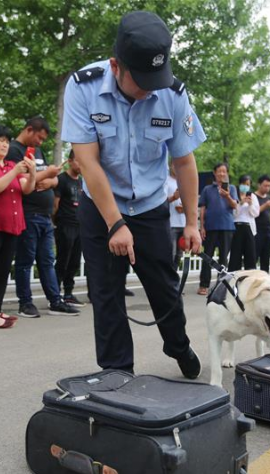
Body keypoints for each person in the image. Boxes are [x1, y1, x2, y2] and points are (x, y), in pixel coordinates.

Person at [62, 10, 205, 378]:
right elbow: (88, 163)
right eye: (141, 80)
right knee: (107, 294)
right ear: (115, 65)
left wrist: (192, 222)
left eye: (155, 79)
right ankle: (117, 374)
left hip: (151, 206)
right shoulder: (83, 87)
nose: (150, 88)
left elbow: (185, 161)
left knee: (165, 288)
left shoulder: (171, 93)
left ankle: (178, 344)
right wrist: (115, 224)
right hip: (101, 208)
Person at [8, 116, 79, 318]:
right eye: (38, 138)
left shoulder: (36, 152)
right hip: (28, 212)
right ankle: (25, 302)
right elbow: (18, 180)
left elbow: (52, 179)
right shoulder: (14, 150)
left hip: (45, 215)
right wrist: (44, 175)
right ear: (29, 130)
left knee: (47, 259)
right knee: (25, 259)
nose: (40, 143)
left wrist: (51, 179)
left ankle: (55, 300)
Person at [0, 124, 37, 328]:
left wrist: (33, 172)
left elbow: (27, 189)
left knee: (3, 270)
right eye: (0, 140)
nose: (5, 144)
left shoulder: (12, 165)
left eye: (6, 141)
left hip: (12, 224)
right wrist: (15, 173)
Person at [197, 162, 238, 295]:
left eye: (224, 171)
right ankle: (204, 284)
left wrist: (227, 195)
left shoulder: (231, 188)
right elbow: (202, 208)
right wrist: (201, 227)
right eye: (219, 171)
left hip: (227, 227)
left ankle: (222, 285)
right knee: (207, 257)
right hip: (210, 227)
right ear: (214, 173)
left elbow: (234, 206)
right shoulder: (207, 189)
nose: (221, 174)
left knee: (223, 258)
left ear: (227, 173)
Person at [54, 150, 86, 307]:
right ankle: (55, 294)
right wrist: (56, 222)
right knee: (62, 260)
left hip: (79, 225)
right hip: (64, 225)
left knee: (74, 261)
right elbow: (55, 204)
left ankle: (68, 293)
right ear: (70, 161)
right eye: (78, 161)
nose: (81, 165)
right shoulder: (61, 179)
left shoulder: (81, 181)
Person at [228, 175, 259, 271]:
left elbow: (255, 213)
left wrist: (250, 204)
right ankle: (233, 277)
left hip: (249, 226)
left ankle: (250, 277)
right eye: (244, 184)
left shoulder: (253, 196)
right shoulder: (234, 194)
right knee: (235, 255)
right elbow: (233, 214)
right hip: (236, 226)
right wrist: (240, 203)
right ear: (240, 184)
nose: (245, 186)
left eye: (248, 184)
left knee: (250, 255)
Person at [165, 160, 186, 268]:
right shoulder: (166, 180)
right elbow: (161, 201)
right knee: (170, 254)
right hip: (170, 223)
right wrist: (174, 197)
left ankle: (174, 280)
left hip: (183, 223)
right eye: (174, 164)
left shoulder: (184, 181)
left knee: (179, 255)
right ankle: (168, 281)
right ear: (170, 165)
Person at [253, 174, 270, 272]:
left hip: (268, 230)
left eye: (269, 186)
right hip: (256, 230)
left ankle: (265, 277)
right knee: (254, 256)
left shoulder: (269, 197)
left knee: (266, 257)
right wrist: (265, 206)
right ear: (259, 185)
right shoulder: (253, 197)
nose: (267, 188)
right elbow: (253, 212)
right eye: (265, 185)